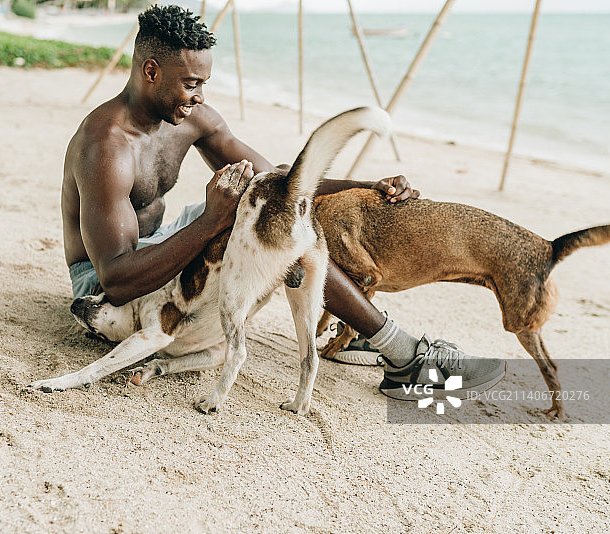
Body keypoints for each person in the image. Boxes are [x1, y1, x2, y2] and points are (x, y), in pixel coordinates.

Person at [61, 5, 504, 399]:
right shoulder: (106, 148)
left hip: (162, 251)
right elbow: (116, 279)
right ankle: (403, 353)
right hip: (108, 291)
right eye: (191, 84)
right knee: (245, 217)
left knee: (277, 212)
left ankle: (381, 338)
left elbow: (279, 182)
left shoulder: (189, 117)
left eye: (204, 84)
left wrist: (370, 185)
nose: (200, 97)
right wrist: (209, 224)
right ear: (152, 72)